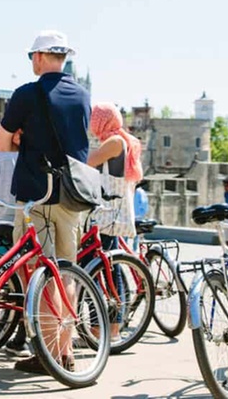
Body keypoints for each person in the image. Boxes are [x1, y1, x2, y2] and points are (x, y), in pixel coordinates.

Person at [0, 30, 90, 375]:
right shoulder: (82, 95)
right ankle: (66, 351)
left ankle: (49, 354)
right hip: (73, 196)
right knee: (67, 273)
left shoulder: (26, 95)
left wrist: (23, 140)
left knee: (40, 272)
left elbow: (3, 144)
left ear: (37, 58)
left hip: (38, 194)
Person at [87, 102, 144, 341]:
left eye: (93, 119)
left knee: (100, 269)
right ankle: (111, 328)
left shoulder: (113, 142)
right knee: (111, 268)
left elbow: (87, 162)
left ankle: (106, 328)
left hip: (109, 212)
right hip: (113, 210)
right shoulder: (121, 139)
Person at [0, 128, 28, 357]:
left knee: (1, 275)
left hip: (3, 218)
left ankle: (4, 327)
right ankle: (17, 332)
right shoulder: (29, 153)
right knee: (22, 277)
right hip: (24, 218)